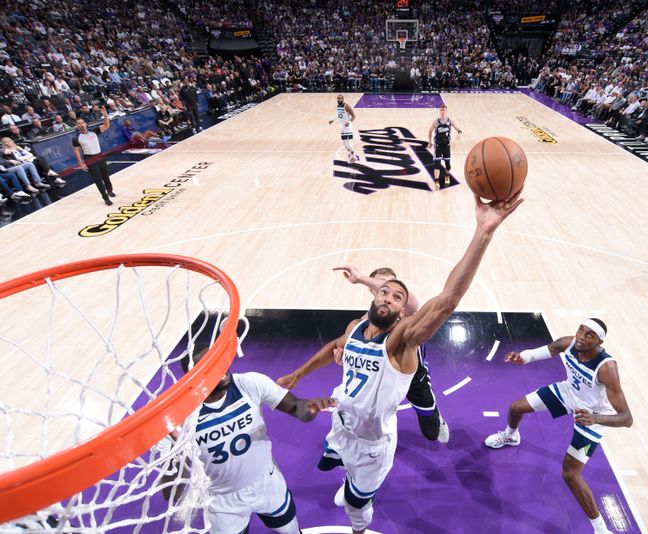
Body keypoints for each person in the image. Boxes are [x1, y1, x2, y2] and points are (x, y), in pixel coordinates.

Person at [283, 192, 522, 533]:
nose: (389, 297)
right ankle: (343, 465)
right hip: (341, 423)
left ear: (401, 311)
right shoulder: (354, 327)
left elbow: (446, 302)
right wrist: (297, 374)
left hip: (372, 446)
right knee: (336, 456)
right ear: (373, 295)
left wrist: (483, 233)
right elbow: (331, 347)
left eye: (398, 297)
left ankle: (358, 525)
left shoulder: (400, 340)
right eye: (384, 291)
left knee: (355, 505)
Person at [161, 344, 336, 534]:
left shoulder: (249, 383)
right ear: (191, 377)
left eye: (217, 360)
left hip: (267, 482)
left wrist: (309, 408)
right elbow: (171, 494)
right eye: (207, 366)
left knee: (291, 531)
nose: (219, 368)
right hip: (221, 499)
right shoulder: (177, 418)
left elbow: (296, 408)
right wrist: (177, 450)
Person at [484, 319, 632, 534]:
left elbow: (626, 419)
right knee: (515, 408)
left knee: (570, 475)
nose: (582, 336)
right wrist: (522, 357)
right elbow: (547, 350)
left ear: (600, 341)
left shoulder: (607, 368)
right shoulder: (569, 343)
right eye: (581, 329)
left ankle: (601, 529)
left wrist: (595, 419)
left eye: (590, 334)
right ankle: (511, 435)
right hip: (567, 393)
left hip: (592, 416)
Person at [278, 265, 450, 444]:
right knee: (364, 426)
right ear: (373, 290)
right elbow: (335, 349)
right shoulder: (360, 326)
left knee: (431, 431)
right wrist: (343, 360)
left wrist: (360, 278)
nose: (390, 292)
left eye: (395, 288)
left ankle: (435, 413)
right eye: (383, 286)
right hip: (382, 384)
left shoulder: (407, 317)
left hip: (414, 380)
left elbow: (416, 304)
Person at [72, 106, 114, 205]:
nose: (81, 125)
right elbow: (77, 151)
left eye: (82, 123)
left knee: (106, 177)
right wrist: (81, 164)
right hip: (90, 159)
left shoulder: (94, 132)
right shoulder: (76, 138)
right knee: (98, 179)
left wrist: (105, 115)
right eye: (79, 123)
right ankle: (105, 198)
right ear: (76, 126)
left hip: (100, 156)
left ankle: (110, 190)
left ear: (85, 124)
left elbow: (106, 126)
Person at [427, 104, 462, 190]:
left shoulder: (450, 121)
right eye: (441, 110)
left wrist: (459, 134)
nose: (442, 112)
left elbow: (458, 129)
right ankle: (436, 181)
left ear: (446, 111)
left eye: (444, 110)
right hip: (438, 146)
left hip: (446, 146)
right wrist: (430, 142)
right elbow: (430, 131)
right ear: (440, 111)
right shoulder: (436, 122)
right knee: (437, 164)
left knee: (448, 165)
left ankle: (447, 175)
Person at [328, 94, 359, 163]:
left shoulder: (346, 106)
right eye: (338, 98)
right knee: (344, 142)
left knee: (348, 142)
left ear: (343, 99)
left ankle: (354, 156)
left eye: (340, 98)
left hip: (348, 127)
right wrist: (332, 120)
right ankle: (350, 153)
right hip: (341, 126)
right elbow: (337, 115)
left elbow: (353, 116)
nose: (339, 99)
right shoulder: (337, 107)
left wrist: (349, 122)